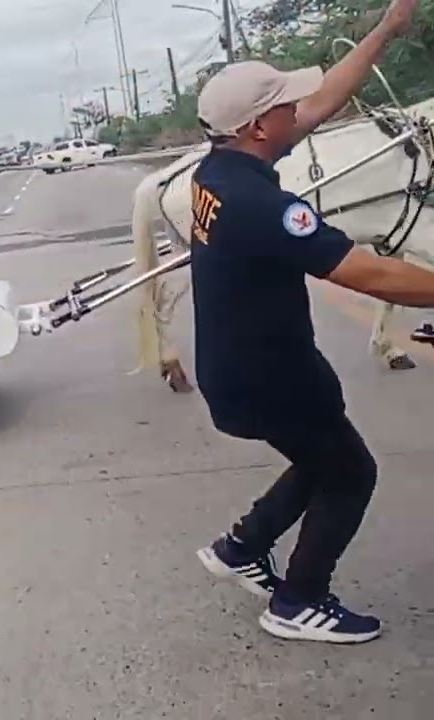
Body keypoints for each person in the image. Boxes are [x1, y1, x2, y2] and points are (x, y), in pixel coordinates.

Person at [188, 0, 434, 644]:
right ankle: (299, 600)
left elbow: (323, 100)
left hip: (237, 368)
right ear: (260, 127)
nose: (299, 109)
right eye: (284, 104)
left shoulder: (217, 169)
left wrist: (385, 28)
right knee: (352, 471)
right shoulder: (261, 204)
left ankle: (242, 546)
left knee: (321, 455)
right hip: (272, 377)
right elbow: (371, 274)